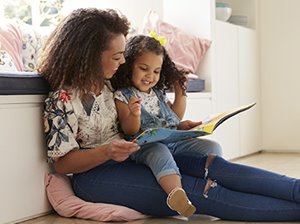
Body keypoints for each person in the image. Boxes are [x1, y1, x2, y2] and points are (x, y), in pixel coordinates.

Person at [39, 8, 300, 222]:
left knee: (216, 166)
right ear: (90, 56)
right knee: (201, 191)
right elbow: (62, 164)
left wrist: (176, 127)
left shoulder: (111, 86)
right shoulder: (61, 101)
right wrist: (107, 152)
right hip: (98, 176)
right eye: (117, 56)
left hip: (137, 156)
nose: (122, 62)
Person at [111, 34, 223, 217]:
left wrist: (181, 97)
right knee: (159, 152)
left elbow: (175, 117)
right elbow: (129, 130)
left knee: (212, 146)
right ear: (129, 65)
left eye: (156, 71)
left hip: (173, 141)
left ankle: (211, 183)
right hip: (145, 146)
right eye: (144, 69)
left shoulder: (157, 93)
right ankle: (177, 195)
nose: (150, 76)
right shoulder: (124, 95)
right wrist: (134, 114)